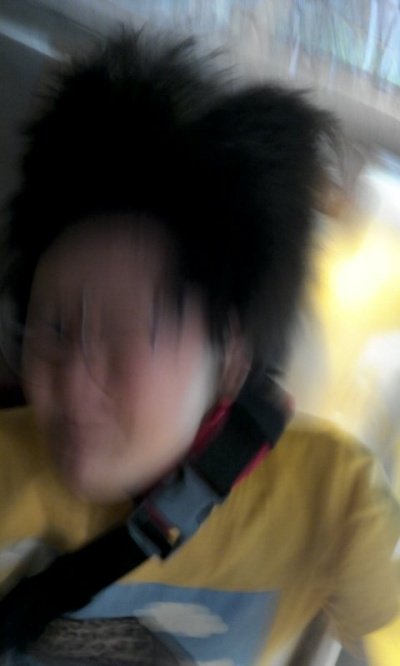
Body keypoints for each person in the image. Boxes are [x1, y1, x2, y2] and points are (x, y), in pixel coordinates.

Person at [0, 31, 399, 666]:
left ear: (231, 359)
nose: (71, 379)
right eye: (53, 328)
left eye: (126, 334)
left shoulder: (331, 502)